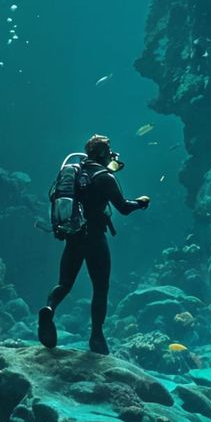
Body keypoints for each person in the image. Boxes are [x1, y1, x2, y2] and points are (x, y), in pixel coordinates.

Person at [38, 135, 148, 356]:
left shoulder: (74, 172)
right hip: (95, 238)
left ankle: (49, 309)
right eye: (108, 150)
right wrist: (141, 203)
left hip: (73, 236)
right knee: (100, 287)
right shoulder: (104, 177)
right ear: (102, 153)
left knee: (65, 283)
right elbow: (124, 208)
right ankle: (96, 336)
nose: (111, 154)